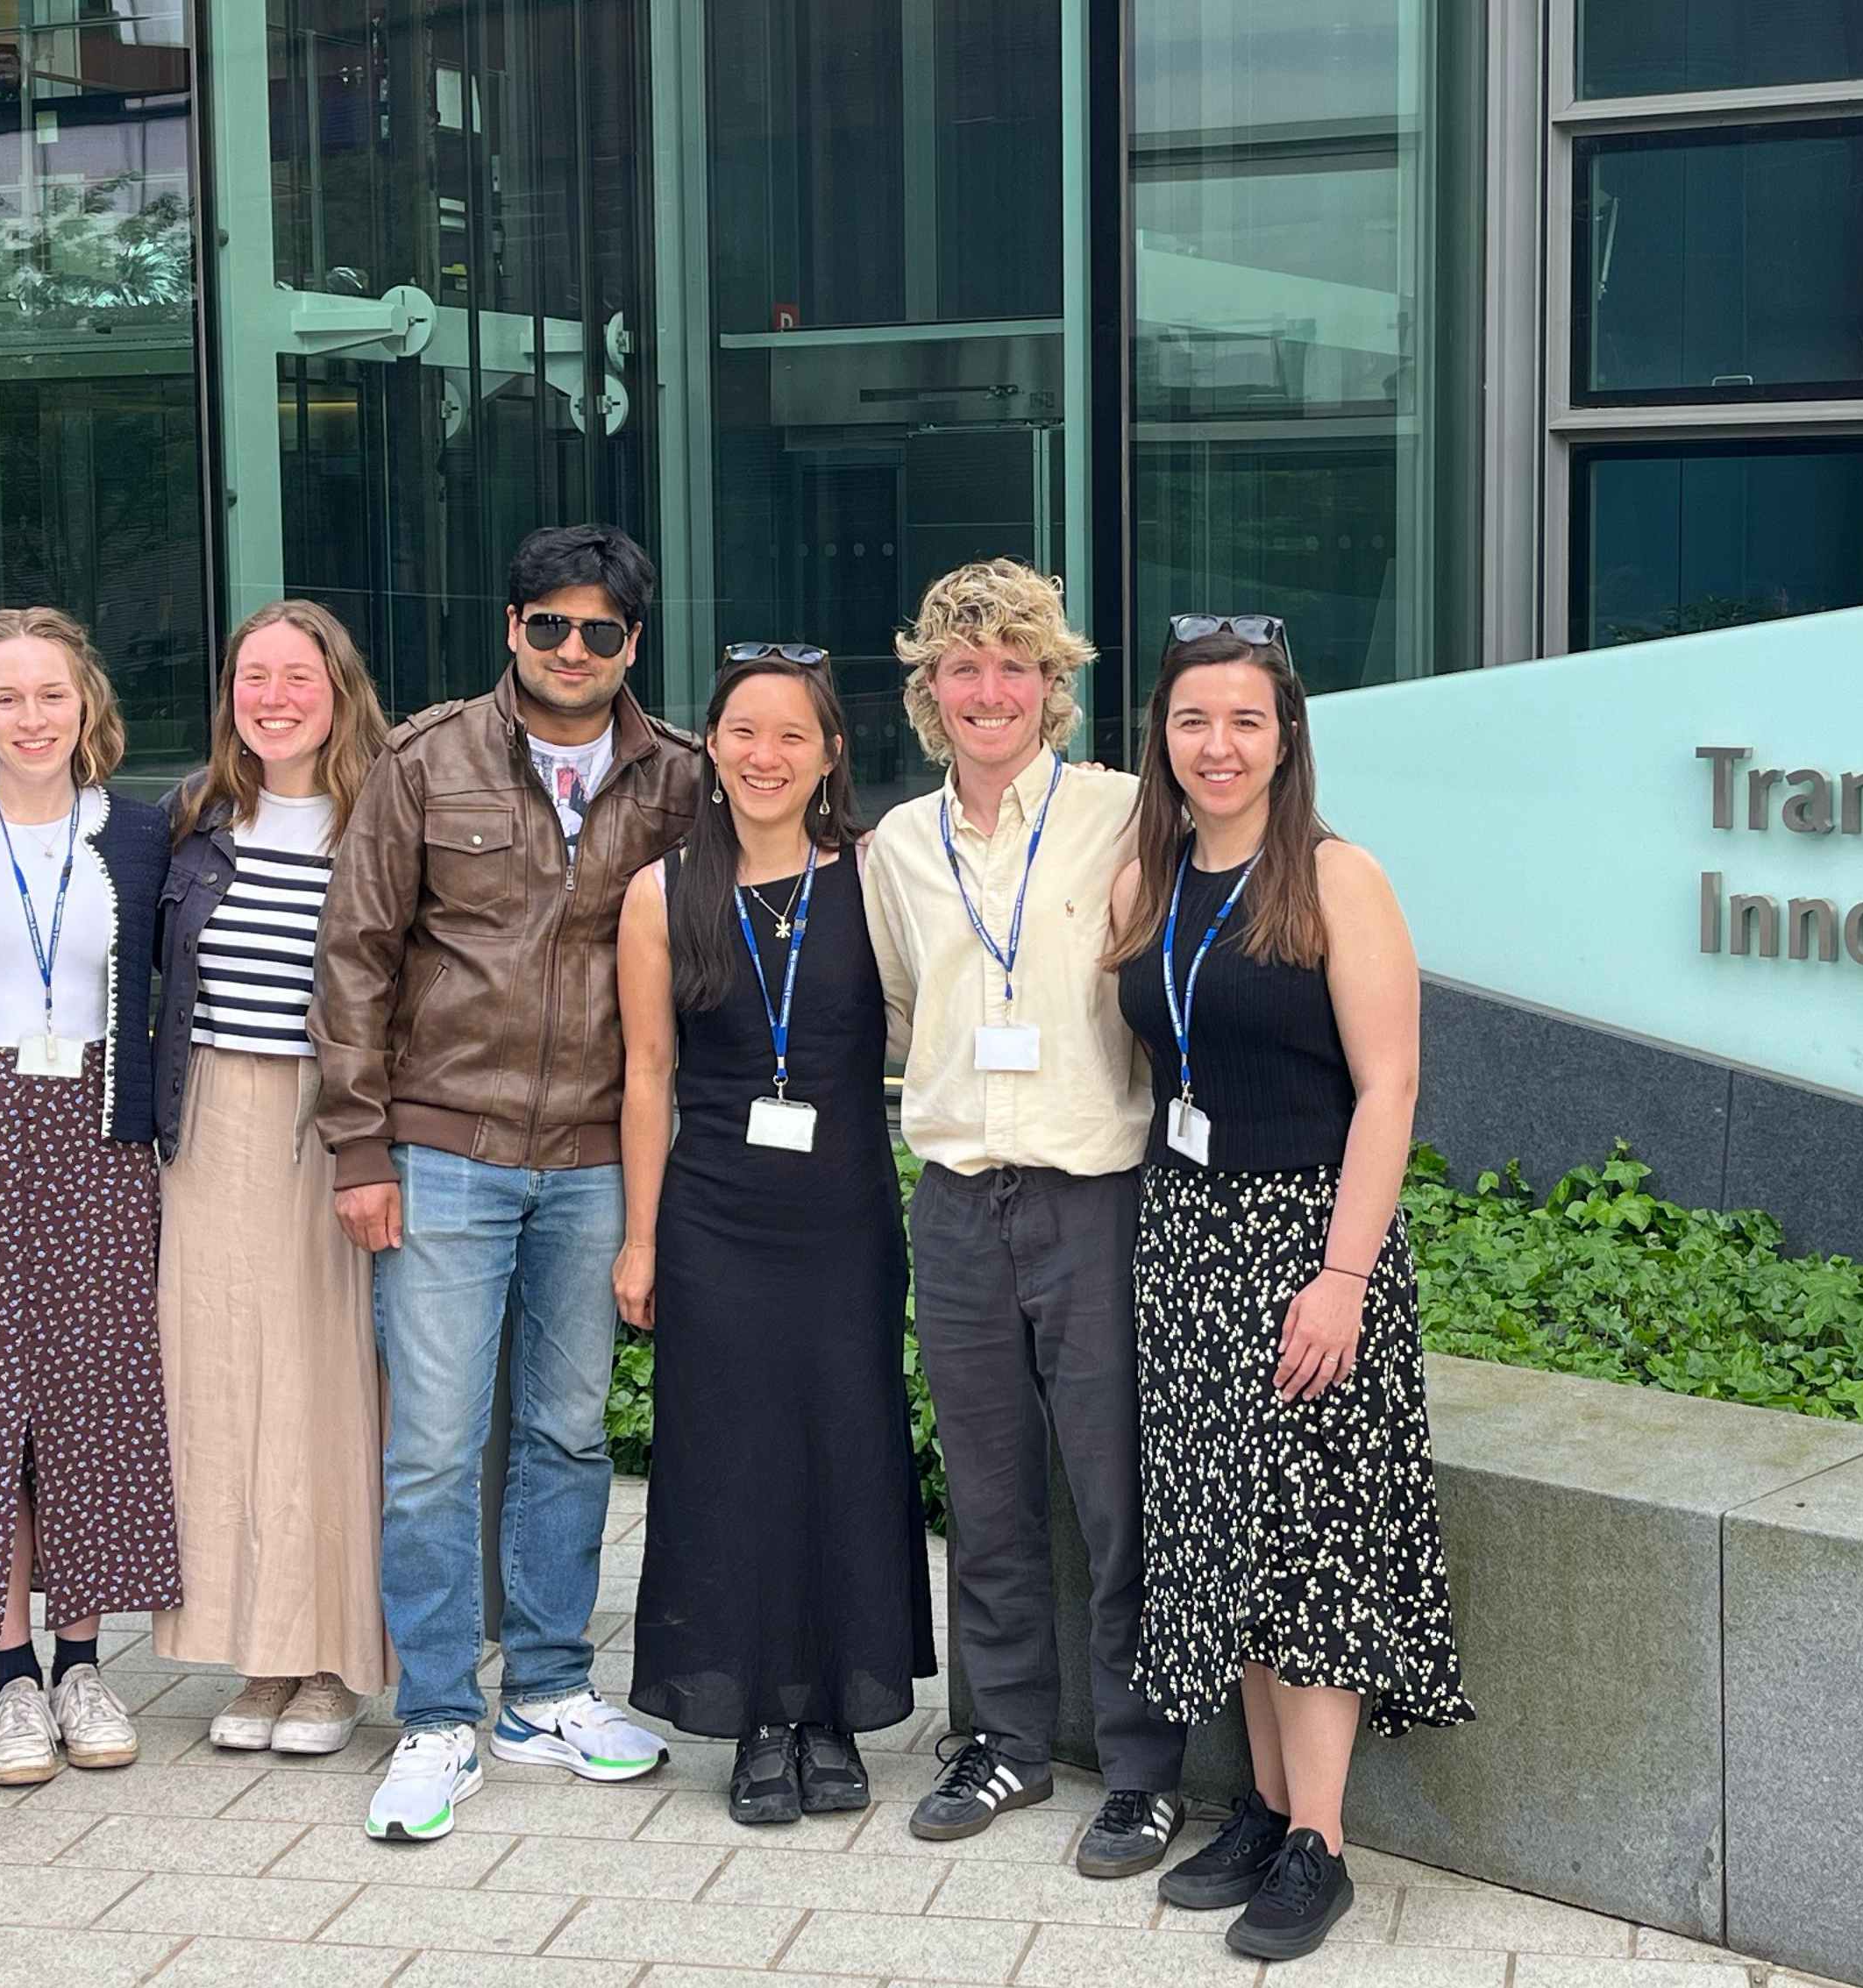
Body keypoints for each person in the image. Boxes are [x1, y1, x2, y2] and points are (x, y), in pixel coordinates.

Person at [315, 524, 702, 1842]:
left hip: (596, 1161)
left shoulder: (682, 780)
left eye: (602, 631)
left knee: (568, 1435)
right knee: (430, 1448)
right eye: (551, 625)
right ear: (512, 628)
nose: (575, 649)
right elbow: (354, 957)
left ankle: (547, 1689)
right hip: (445, 1156)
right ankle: (435, 1714)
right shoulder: (428, 761)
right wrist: (359, 1148)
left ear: (633, 644)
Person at [1106, 618, 1470, 1963]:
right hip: (1186, 1240)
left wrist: (1344, 1278)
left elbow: (1391, 1088)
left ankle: (1320, 1841)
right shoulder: (1159, 877)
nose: (1218, 745)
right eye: (1195, 720)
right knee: (1230, 1537)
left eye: (1245, 721)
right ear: (1164, 735)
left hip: (1304, 1240)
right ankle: (1261, 1807)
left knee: (1311, 1545)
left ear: (1288, 735)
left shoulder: (1333, 876)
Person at [859, 559, 1189, 1879]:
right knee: (987, 1497)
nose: (989, 689)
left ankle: (1142, 1767)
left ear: (1054, 685)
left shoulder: (1122, 814)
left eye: (1016, 665)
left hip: (1093, 1198)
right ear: (929, 689)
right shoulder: (896, 843)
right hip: (955, 1202)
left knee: (1118, 1499)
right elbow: (895, 1010)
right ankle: (1001, 1741)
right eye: (963, 666)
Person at [617, 643, 935, 1826]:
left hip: (846, 1216)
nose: (766, 756)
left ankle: (835, 1709)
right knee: (733, 1458)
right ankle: (754, 1712)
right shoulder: (662, 891)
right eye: (744, 731)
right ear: (711, 746)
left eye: (792, 735)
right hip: (713, 1217)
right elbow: (648, 1072)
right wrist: (641, 1241)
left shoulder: (872, 878)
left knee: (848, 1447)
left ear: (830, 754)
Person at [0, 606, 179, 1787]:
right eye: (6, 697)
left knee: (97, 1398)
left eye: (50, 695)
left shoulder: (144, 833)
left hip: (100, 1135)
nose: (30, 718)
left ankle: (83, 1660)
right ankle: (8, 1675)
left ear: (86, 706)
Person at [152, 599, 397, 1754]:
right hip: (204, 1118)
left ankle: (334, 1660)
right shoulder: (192, 819)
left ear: (339, 691)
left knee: (325, 1391)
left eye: (300, 676)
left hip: (329, 1125)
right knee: (220, 1390)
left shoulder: (382, 816)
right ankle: (259, 1656)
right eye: (255, 676)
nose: (276, 698)